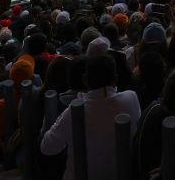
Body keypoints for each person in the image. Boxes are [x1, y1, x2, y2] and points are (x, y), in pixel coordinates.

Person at [39, 52, 141, 180]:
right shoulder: (131, 98)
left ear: (85, 80)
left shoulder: (74, 111)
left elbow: (47, 147)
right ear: (115, 79)